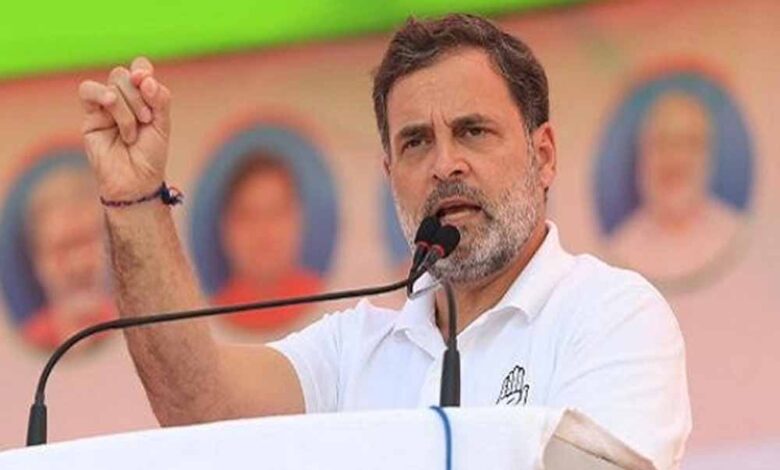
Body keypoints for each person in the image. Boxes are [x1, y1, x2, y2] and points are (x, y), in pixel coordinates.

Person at [77, 14, 690, 469]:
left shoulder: (610, 312)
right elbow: (198, 402)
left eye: (473, 132)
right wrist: (135, 201)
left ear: (544, 154)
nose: (445, 164)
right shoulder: (355, 349)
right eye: (416, 142)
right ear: (390, 173)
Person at [609, 91, 740, 281]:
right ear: (641, 157)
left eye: (688, 143)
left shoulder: (732, 232)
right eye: (662, 143)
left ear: (708, 157)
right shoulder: (623, 246)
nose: (675, 158)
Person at [214, 152, 323, 333]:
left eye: (275, 212)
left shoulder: (323, 298)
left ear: (298, 220)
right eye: (248, 215)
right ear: (226, 227)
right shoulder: (213, 310)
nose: (263, 231)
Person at [22, 165, 114, 351]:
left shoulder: (135, 329)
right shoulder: (27, 344)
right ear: (38, 261)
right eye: (63, 248)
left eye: (86, 243)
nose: (78, 265)